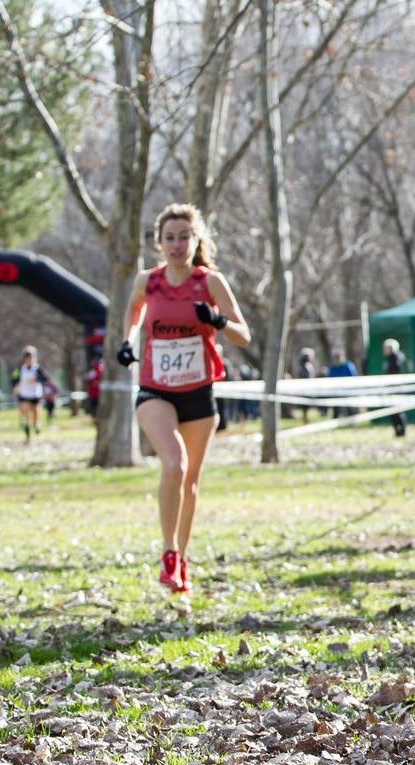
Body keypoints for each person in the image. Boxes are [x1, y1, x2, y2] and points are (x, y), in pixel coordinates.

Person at [115, 203, 252, 593]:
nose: (177, 245)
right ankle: (168, 551)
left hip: (198, 391)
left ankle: (183, 560)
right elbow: (133, 316)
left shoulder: (210, 283)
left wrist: (216, 320)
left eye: (184, 237)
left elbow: (244, 335)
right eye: (169, 238)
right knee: (173, 464)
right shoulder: (148, 281)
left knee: (190, 481)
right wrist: (126, 344)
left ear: (197, 241)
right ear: (159, 243)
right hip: (156, 388)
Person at [10, 347, 51, 442]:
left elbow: (46, 379)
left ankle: (36, 425)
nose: (29, 360)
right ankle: (27, 433)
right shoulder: (20, 369)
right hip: (24, 394)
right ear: (24, 359)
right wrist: (15, 387)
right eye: (27, 358)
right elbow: (13, 379)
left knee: (36, 414)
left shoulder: (37, 369)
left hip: (35, 394)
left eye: (31, 358)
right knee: (26, 414)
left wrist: (37, 380)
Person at [382, 338, 408, 437]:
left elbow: (396, 372)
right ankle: (397, 431)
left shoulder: (397, 358)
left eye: (387, 348)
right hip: (390, 388)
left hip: (397, 388)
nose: (384, 350)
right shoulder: (389, 360)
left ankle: (402, 431)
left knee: (398, 410)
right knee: (393, 411)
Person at [327, 348, 358, 418]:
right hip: (336, 391)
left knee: (349, 407)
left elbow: (353, 377)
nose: (337, 358)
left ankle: (351, 421)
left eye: (338, 356)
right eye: (336, 356)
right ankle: (335, 422)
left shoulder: (348, 366)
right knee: (336, 408)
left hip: (347, 390)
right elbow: (330, 378)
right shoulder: (332, 367)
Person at [297, 347, 319, 423]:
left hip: (305, 389)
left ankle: (305, 420)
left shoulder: (303, 366)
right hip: (306, 389)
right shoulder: (307, 366)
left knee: (305, 407)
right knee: (305, 406)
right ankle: (305, 420)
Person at [84, 354, 103, 420]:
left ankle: (96, 418)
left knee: (95, 406)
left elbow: (87, 379)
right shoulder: (95, 370)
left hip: (96, 393)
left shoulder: (96, 370)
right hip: (95, 393)